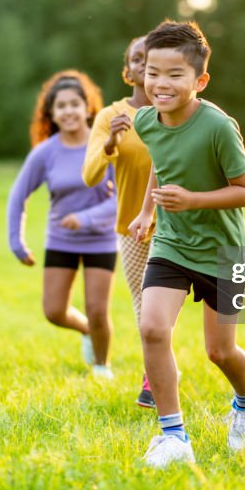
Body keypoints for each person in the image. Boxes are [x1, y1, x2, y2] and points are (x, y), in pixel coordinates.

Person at [127, 20, 245, 467]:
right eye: (152, 72)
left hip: (222, 252)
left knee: (220, 351)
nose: (159, 84)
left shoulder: (218, 127)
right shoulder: (146, 120)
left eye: (174, 75)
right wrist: (149, 212)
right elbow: (161, 163)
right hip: (171, 243)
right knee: (152, 328)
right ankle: (173, 437)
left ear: (199, 80)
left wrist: (193, 200)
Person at [7, 70, 118, 378]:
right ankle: (86, 330)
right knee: (54, 312)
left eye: (74, 104)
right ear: (52, 114)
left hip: (101, 238)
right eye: (61, 106)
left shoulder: (105, 144)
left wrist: (85, 218)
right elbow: (17, 196)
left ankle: (101, 366)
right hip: (61, 240)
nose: (68, 111)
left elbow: (121, 199)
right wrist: (16, 242)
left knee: (98, 309)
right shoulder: (45, 153)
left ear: (87, 107)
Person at [82, 35, 157, 408]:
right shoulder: (110, 116)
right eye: (138, 59)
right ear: (128, 71)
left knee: (165, 307)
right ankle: (154, 377)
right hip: (132, 228)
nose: (145, 64)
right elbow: (90, 175)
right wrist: (111, 144)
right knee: (147, 308)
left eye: (153, 58)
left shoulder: (178, 108)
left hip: (181, 222)